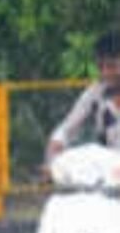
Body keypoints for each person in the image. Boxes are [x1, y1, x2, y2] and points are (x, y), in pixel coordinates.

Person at [47, 31, 120, 162]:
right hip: (110, 173)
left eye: (112, 66)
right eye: (100, 67)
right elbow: (65, 130)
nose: (105, 73)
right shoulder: (95, 93)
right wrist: (53, 156)